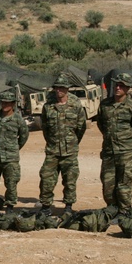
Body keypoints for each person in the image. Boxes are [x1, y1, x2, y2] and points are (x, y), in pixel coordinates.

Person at [98, 74, 132, 215]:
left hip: (126, 152)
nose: (118, 88)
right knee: (108, 184)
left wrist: (129, 144)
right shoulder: (105, 105)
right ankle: (112, 209)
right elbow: (102, 125)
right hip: (108, 152)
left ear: (127, 88)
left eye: (121, 86)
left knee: (124, 184)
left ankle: (124, 212)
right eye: (116, 85)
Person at [38, 76, 87, 215]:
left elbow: (81, 128)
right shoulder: (48, 106)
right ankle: (46, 206)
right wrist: (52, 142)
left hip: (70, 151)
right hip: (52, 150)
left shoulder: (76, 106)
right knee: (46, 178)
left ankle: (68, 207)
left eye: (61, 88)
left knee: (70, 180)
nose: (58, 90)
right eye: (56, 88)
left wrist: (72, 142)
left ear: (67, 88)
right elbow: (45, 127)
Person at [0, 90, 29, 212]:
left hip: (10, 157)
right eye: (3, 103)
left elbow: (23, 136)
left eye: (8, 103)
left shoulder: (18, 120)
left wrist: (14, 148)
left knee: (11, 184)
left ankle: (10, 208)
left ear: (13, 104)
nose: (5, 105)